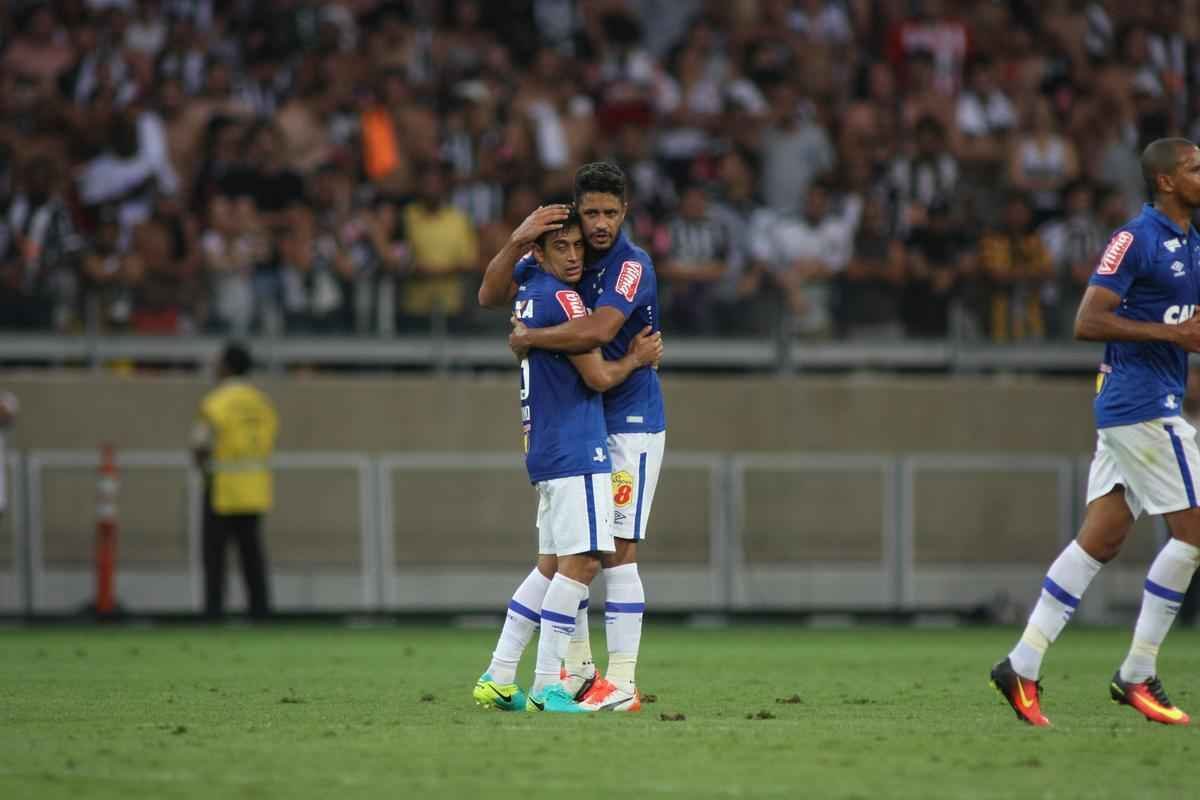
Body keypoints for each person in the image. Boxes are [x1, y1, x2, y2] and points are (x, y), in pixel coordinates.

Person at [990, 138, 1200, 727]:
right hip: (1142, 407)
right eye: (1194, 168)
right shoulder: (1136, 238)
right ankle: (1137, 671)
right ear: (1164, 180)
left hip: (1137, 405)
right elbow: (1087, 320)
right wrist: (1171, 336)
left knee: (1101, 539)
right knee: (1194, 531)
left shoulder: (1191, 245)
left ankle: (1022, 662)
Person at [479, 162, 665, 712]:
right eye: (592, 214)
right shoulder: (566, 262)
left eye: (611, 212)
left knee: (615, 551)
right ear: (575, 217)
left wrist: (531, 338)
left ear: (625, 212)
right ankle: (576, 675)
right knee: (573, 555)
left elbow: (603, 331)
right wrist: (517, 240)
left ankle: (623, 682)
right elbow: (490, 294)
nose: (600, 226)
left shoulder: (630, 265)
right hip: (583, 420)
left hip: (628, 419)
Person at [191, 342, 279, 620]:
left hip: (222, 488)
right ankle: (261, 612)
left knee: (215, 556)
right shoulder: (262, 402)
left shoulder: (216, 402)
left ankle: (214, 613)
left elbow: (200, 444)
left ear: (227, 366)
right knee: (252, 556)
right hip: (254, 487)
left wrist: (203, 467)